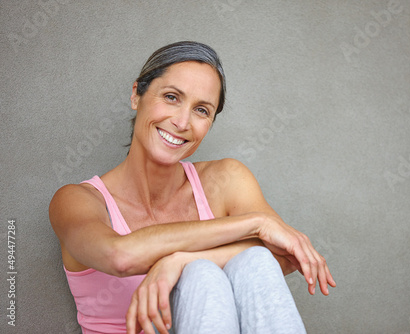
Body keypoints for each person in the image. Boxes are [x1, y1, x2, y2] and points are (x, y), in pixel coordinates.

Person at [49, 41, 336, 334]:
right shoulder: (76, 200)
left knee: (242, 263)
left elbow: (285, 257)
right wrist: (257, 223)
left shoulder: (226, 179)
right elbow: (120, 256)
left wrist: (178, 262)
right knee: (202, 276)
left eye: (201, 110)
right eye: (172, 97)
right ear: (137, 94)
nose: (182, 121)